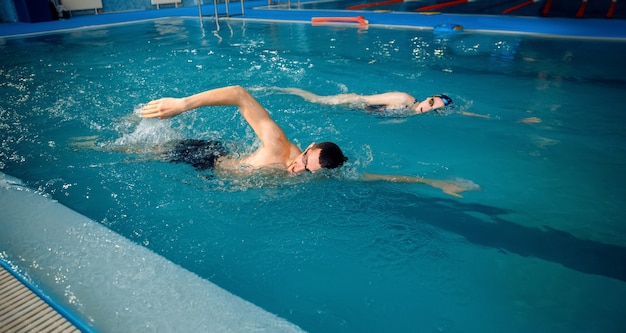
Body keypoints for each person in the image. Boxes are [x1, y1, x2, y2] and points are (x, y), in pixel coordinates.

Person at [136, 85, 479, 197]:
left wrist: (435, 182)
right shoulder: (278, 147)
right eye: (303, 161)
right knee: (129, 152)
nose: (296, 170)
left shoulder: (323, 170)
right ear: (309, 147)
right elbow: (240, 94)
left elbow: (379, 177)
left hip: (214, 180)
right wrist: (182, 105)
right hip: (205, 158)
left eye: (306, 171)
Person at [274, 87, 489, 118]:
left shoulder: (412, 113)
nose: (428, 107)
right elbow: (364, 100)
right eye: (431, 102)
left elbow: (457, 113)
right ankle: (286, 90)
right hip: (351, 103)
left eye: (434, 109)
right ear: (427, 98)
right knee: (315, 100)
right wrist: (344, 103)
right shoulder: (403, 99)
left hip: (359, 112)